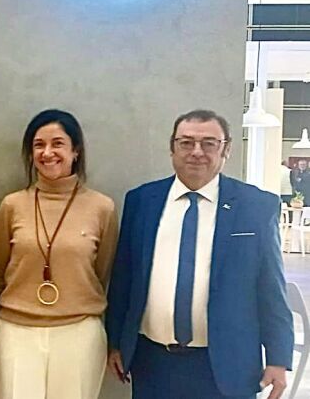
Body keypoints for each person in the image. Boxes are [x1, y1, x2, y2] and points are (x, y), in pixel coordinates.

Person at [106, 109, 293, 399]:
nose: (196, 152)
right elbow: (123, 278)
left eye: (209, 143)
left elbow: (271, 288)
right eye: (186, 143)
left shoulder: (256, 206)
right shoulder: (141, 201)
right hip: (152, 363)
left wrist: (278, 358)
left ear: (226, 149)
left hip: (227, 365)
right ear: (172, 148)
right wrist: (115, 342)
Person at [0, 109, 118, 399]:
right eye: (39, 145)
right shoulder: (12, 205)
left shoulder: (102, 208)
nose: (47, 153)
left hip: (79, 331)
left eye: (57, 144)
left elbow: (102, 270)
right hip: (17, 330)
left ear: (75, 151)